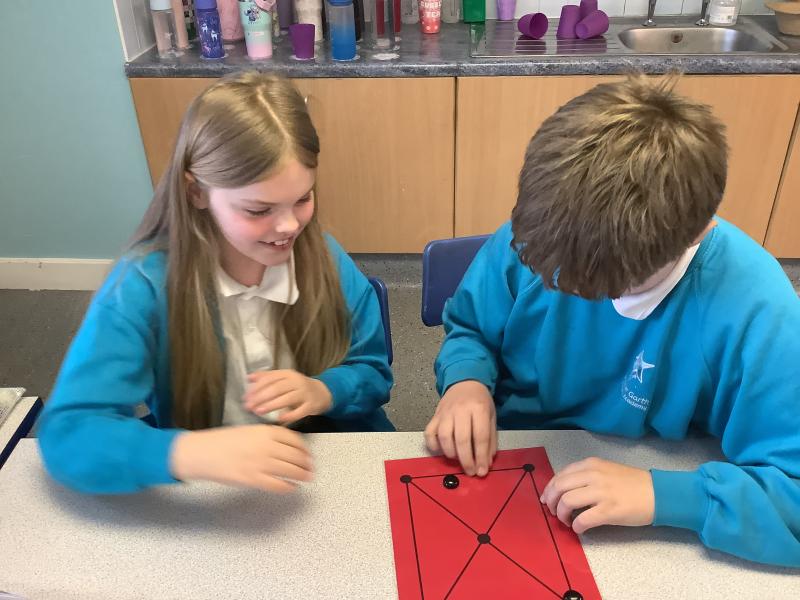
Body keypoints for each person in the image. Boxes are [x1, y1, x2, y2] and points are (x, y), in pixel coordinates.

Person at [425, 74, 800, 566]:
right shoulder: (544, 232)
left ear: (698, 233)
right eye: (555, 274)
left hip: (646, 494)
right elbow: (471, 328)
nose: (573, 292)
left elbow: (792, 494)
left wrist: (665, 496)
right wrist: (466, 381)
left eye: (617, 286)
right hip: (513, 459)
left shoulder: (760, 311)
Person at [38, 72, 393, 495]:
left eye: (302, 199)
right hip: (211, 487)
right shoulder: (145, 286)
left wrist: (324, 391)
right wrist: (185, 453)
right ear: (197, 193)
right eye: (258, 209)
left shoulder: (325, 258)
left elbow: (373, 373)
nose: (289, 226)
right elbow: (68, 432)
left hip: (326, 468)